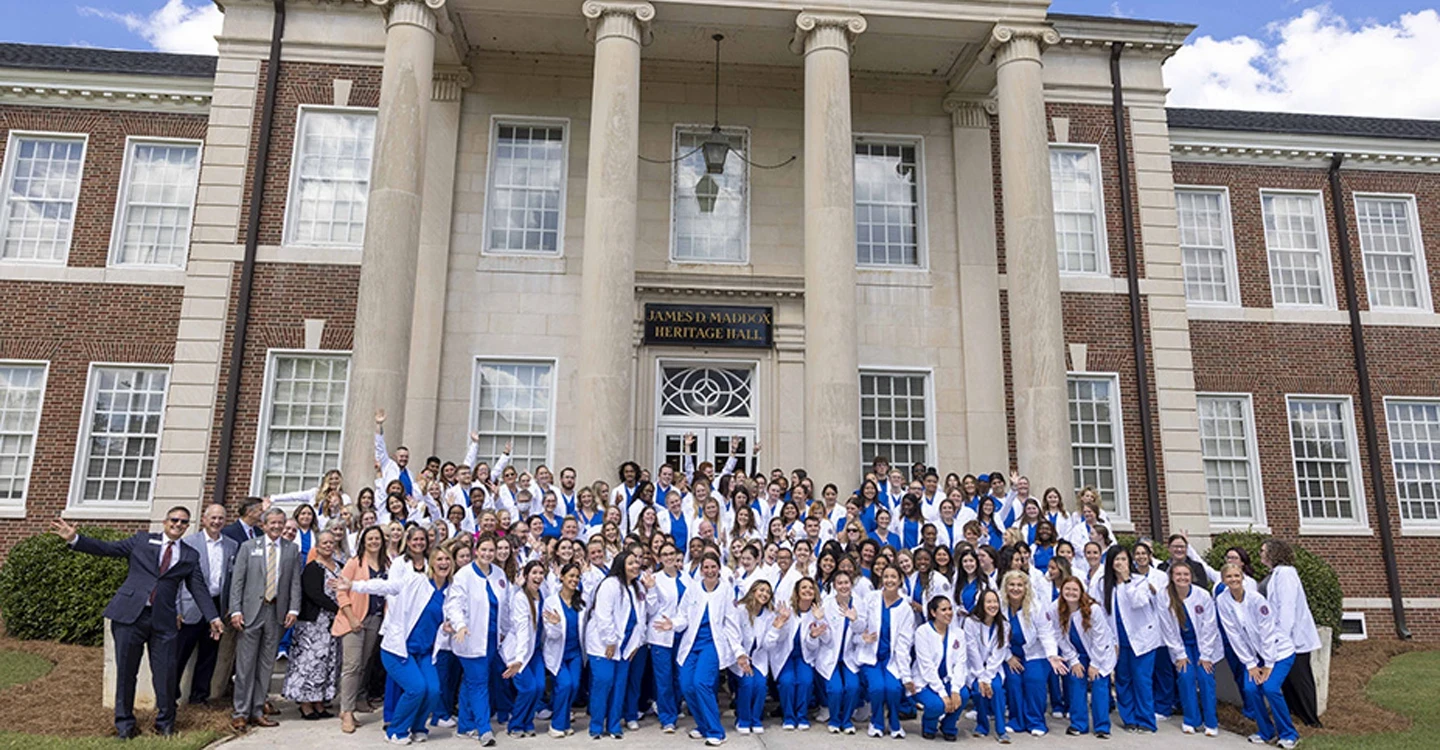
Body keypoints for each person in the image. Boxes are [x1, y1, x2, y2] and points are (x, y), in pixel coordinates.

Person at [51, 510, 221, 738]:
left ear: (187, 526)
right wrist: (74, 539)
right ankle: (124, 725)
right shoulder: (141, 540)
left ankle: (165, 725)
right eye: (174, 520)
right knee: (126, 672)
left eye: (183, 522)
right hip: (130, 616)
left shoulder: (190, 555)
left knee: (166, 673)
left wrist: (213, 617)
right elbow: (108, 549)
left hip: (164, 622)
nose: (178, 524)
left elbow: (198, 588)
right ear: (165, 522)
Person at [337, 546, 456, 745]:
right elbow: (386, 586)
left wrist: (449, 626)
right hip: (398, 649)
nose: (444, 563)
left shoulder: (451, 591)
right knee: (416, 688)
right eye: (439, 559)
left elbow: (454, 615)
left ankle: (418, 727)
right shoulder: (416, 581)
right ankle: (396, 731)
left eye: (447, 559)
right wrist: (354, 585)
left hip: (424, 652)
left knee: (434, 689)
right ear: (432, 563)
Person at [229, 507, 303, 732]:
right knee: (245, 665)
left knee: (266, 666)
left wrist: (293, 609)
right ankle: (240, 712)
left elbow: (294, 583)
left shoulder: (292, 550)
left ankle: (258, 710)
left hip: (276, 613)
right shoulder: (249, 547)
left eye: (281, 523)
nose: (277, 527)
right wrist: (235, 610)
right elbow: (237, 582)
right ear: (264, 524)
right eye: (273, 523)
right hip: (251, 612)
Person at [1216, 563, 1300, 749]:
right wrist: (1250, 663)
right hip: (1255, 656)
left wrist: (1269, 663)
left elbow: (1267, 633)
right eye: (1229, 577)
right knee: (1251, 689)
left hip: (1279, 653)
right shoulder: (1222, 601)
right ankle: (1266, 731)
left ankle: (1289, 733)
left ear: (1243, 577)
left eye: (1237, 575)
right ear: (1223, 580)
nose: (1234, 580)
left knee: (1270, 688)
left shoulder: (1257, 600)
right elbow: (1234, 635)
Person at [670, 551, 742, 747]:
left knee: (701, 682)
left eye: (713, 567)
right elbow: (683, 615)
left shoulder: (726, 590)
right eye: (706, 567)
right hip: (692, 644)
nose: (710, 571)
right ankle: (703, 725)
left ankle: (716, 732)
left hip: (712, 644)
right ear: (701, 570)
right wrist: (672, 624)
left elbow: (731, 623)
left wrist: (738, 651)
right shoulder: (693, 589)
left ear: (719, 568)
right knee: (686, 684)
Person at [1093, 545, 1161, 734]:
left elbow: (1138, 602)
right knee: (1123, 680)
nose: (1120, 563)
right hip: (1117, 641)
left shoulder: (1140, 581)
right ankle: (1129, 719)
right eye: (1117, 560)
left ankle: (1146, 720)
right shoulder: (1102, 584)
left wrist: (1127, 579)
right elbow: (1101, 613)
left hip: (1142, 640)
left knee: (1142, 680)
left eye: (1123, 559)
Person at [177, 501, 237, 707]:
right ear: (204, 519)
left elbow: (231, 579)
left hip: (217, 605)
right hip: (190, 605)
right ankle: (170, 696)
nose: (217, 521)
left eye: (220, 518)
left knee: (209, 653)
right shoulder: (189, 543)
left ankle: (199, 697)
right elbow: (176, 579)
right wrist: (177, 608)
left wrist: (229, 605)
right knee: (180, 653)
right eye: (213, 517)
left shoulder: (231, 545)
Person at [445, 534, 502, 746]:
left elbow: (503, 606)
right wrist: (460, 625)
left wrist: (504, 631)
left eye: (491, 550)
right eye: (484, 550)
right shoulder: (464, 575)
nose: (488, 554)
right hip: (470, 637)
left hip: (492, 639)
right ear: (476, 550)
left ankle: (465, 725)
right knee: (479, 683)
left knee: (471, 682)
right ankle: (484, 728)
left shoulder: (499, 574)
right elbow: (454, 604)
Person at [1261, 538, 1324, 728]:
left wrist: (1283, 636)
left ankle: (1311, 719)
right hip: (1281, 637)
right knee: (1288, 680)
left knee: (1300, 677)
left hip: (1292, 638)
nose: (1261, 554)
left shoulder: (1286, 573)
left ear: (1274, 552)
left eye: (1263, 551)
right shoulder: (1275, 574)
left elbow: (1286, 606)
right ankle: (1295, 711)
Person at [586, 548, 648, 739]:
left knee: (620, 685)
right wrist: (610, 641)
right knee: (603, 682)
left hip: (626, 647)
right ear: (621, 565)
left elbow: (642, 618)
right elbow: (603, 616)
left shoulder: (638, 587)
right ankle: (596, 726)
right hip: (603, 645)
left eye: (637, 562)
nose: (635, 566)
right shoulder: (610, 584)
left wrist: (637, 643)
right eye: (630, 563)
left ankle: (614, 725)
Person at [1158, 563, 1222, 736]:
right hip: (1181, 645)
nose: (1182, 578)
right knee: (1185, 677)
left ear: (1191, 576)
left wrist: (1206, 655)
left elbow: (1210, 625)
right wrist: (1179, 654)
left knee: (1205, 678)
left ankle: (1211, 722)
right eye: (1178, 574)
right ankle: (1191, 719)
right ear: (1171, 576)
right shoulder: (1164, 596)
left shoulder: (1202, 595)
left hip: (1204, 645)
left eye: (1185, 574)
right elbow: (1167, 629)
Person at [284, 529, 342, 719]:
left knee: (326, 663)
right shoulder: (312, 568)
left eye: (331, 542)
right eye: (324, 542)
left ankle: (319, 702)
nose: (328, 546)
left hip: (333, 624)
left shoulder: (340, 566)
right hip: (313, 624)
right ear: (317, 546)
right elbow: (314, 594)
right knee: (309, 664)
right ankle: (306, 704)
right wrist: (338, 607)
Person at [999, 570, 1065, 737]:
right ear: (1005, 587)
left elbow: (1046, 633)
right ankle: (1017, 721)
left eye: (1019, 585)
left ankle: (1036, 722)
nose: (1015, 588)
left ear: (1026, 588)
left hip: (1036, 653)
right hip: (1011, 654)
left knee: (1033, 681)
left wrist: (1052, 655)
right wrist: (1008, 657)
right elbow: (996, 636)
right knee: (1013, 681)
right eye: (1012, 585)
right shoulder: (1000, 606)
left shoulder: (1036, 607)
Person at [336, 525, 387, 734]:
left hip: (375, 619)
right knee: (352, 665)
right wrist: (351, 617)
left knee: (363, 664)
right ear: (363, 541)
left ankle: (354, 701)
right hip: (354, 619)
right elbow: (341, 592)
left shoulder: (386, 564)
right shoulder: (354, 563)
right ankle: (346, 711)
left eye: (377, 538)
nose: (374, 541)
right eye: (370, 538)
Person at [1055, 575, 1114, 738]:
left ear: (1081, 591)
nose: (1071, 593)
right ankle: (1078, 724)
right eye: (1067, 589)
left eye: (1075, 589)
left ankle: (1102, 726)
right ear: (1062, 590)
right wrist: (1073, 660)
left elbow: (1100, 638)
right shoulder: (1057, 608)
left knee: (1099, 684)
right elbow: (1058, 636)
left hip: (1099, 652)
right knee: (1075, 683)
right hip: (1077, 653)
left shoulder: (1093, 609)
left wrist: (1095, 663)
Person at [913, 595, 969, 741]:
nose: (948, 613)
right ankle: (929, 726)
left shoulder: (958, 633)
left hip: (948, 679)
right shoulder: (922, 632)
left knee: (963, 695)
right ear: (933, 613)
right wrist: (943, 694)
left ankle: (948, 726)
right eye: (943, 609)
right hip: (926, 681)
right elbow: (927, 667)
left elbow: (960, 663)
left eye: (950, 609)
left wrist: (955, 690)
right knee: (937, 705)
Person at [770, 576, 821, 731]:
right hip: (785, 656)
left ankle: (802, 716)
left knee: (805, 681)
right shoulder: (788, 611)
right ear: (797, 592)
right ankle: (789, 717)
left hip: (804, 657)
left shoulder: (817, 613)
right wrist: (783, 621)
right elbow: (780, 639)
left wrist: (813, 635)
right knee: (787, 682)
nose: (807, 590)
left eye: (811, 588)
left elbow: (814, 646)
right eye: (804, 588)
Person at [542, 562, 586, 737]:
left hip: (575, 653)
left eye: (577, 577)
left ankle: (565, 721)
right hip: (557, 653)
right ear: (562, 577)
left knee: (574, 686)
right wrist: (556, 624)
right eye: (571, 576)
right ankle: (557, 725)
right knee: (564, 684)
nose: (574, 580)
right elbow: (551, 635)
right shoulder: (551, 602)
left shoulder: (582, 601)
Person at [504, 561, 548, 736]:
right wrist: (519, 660)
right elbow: (523, 631)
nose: (538, 577)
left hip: (535, 650)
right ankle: (515, 724)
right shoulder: (521, 598)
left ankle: (528, 722)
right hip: (519, 652)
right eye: (534, 573)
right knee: (527, 688)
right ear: (526, 575)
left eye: (541, 573)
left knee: (539, 686)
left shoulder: (542, 595)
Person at [820, 569, 865, 734]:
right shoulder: (827, 603)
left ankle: (846, 721)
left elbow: (862, 631)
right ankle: (834, 720)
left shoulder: (859, 603)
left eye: (846, 582)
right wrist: (820, 627)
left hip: (849, 655)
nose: (843, 586)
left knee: (852, 687)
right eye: (840, 583)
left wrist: (854, 620)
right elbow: (825, 638)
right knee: (835, 689)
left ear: (851, 584)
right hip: (830, 654)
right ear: (834, 586)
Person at [965, 588, 1011, 743]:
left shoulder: (1004, 625)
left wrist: (987, 677)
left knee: (996, 689)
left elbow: (999, 654)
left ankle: (1000, 729)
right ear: (981, 604)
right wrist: (981, 677)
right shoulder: (970, 622)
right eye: (989, 602)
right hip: (974, 668)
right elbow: (972, 651)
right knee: (979, 691)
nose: (993, 605)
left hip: (993, 669)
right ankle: (982, 725)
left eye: (995, 601)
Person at [732, 579, 776, 734]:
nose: (764, 594)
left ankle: (755, 719)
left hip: (758, 658)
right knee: (747, 683)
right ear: (753, 591)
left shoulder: (770, 615)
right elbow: (733, 635)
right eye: (761, 590)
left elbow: (768, 645)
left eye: (768, 592)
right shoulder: (740, 610)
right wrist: (741, 654)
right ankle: (743, 720)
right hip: (740, 657)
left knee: (760, 684)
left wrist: (777, 627)